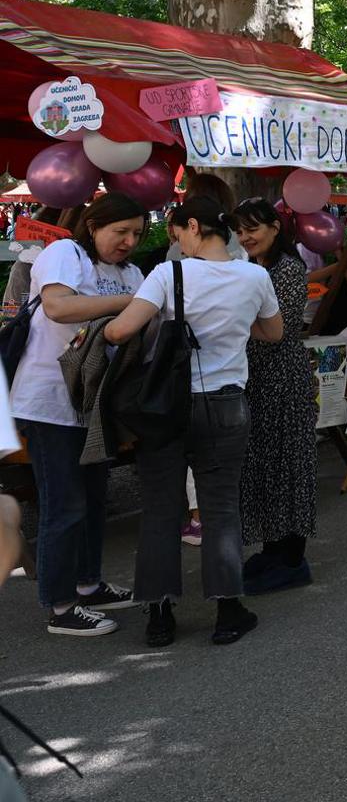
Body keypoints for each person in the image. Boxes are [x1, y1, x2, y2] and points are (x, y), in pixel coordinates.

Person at [105, 199, 284, 647]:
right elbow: (274, 332)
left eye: (175, 235)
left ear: (192, 226)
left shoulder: (169, 275)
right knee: (221, 510)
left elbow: (120, 331)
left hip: (167, 407)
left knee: (162, 509)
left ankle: (159, 616)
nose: (175, 244)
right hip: (226, 404)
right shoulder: (256, 276)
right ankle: (227, 611)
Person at [11, 193, 147, 637]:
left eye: (137, 234)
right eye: (120, 231)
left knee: (91, 500)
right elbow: (58, 307)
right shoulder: (64, 253)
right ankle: (60, 606)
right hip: (49, 400)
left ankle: (88, 586)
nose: (128, 241)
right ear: (94, 225)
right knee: (63, 504)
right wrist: (129, 302)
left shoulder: (129, 272)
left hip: (96, 405)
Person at [232, 198, 320, 595]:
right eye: (239, 230)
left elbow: (276, 328)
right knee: (266, 464)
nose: (244, 236)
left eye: (252, 228)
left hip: (284, 379)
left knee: (289, 465)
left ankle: (292, 559)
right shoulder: (253, 269)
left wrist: (227, 320)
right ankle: (272, 548)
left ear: (274, 229)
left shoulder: (287, 268)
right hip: (257, 379)